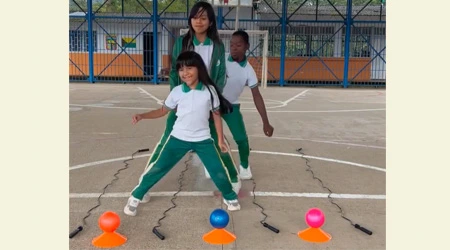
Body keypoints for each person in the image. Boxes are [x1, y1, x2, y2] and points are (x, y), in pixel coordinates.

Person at [140, 1, 242, 200]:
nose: (199, 21)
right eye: (195, 17)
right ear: (190, 20)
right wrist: (178, 98)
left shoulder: (217, 46)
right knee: (164, 143)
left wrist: (212, 99)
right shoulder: (182, 42)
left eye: (204, 18)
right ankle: (143, 184)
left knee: (219, 142)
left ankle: (233, 181)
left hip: (207, 102)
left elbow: (220, 76)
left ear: (211, 22)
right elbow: (174, 74)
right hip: (183, 103)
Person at [124, 51, 240, 216]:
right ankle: (136, 196)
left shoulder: (209, 91)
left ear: (199, 68)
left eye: (189, 68)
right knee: (159, 167)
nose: (185, 73)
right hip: (178, 138)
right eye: (181, 69)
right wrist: (142, 116)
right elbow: (162, 111)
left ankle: (230, 197)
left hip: (203, 140)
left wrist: (220, 140)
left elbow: (216, 116)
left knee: (217, 170)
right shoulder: (177, 91)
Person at [219, 30, 274, 179]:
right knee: (210, 137)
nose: (234, 48)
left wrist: (266, 122)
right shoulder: (220, 59)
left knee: (242, 140)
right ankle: (212, 164)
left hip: (231, 107)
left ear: (247, 46)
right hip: (212, 106)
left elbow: (257, 96)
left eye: (238, 45)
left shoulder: (248, 71)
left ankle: (244, 166)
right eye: (231, 44)